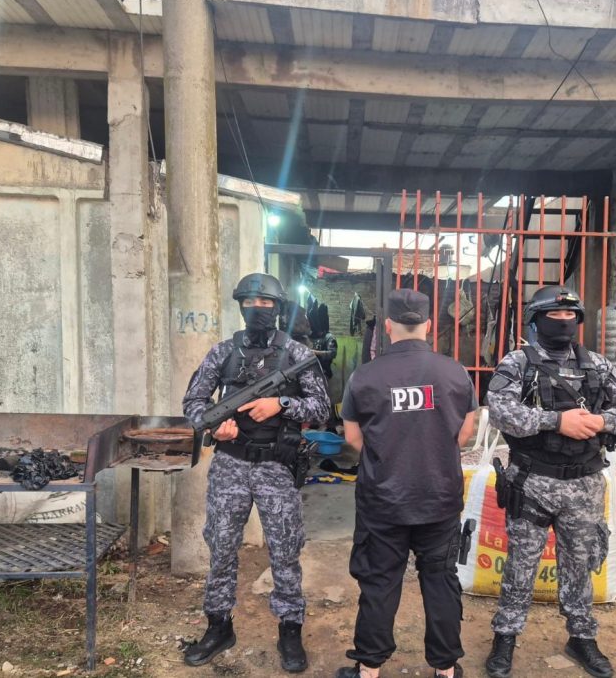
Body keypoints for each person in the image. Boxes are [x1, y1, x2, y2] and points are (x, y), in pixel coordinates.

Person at [483, 286, 616, 678]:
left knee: (579, 564)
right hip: (532, 482)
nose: (564, 322)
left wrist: (601, 421)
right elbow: (500, 411)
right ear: (536, 321)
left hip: (585, 484)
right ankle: (505, 636)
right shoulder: (518, 363)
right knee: (521, 564)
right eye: (554, 316)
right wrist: (557, 421)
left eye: (570, 316)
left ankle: (581, 637)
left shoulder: (597, 365)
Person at [181, 273, 331, 672]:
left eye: (265, 303)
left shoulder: (297, 353)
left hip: (277, 467)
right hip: (230, 465)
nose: (258, 309)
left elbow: (322, 407)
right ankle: (219, 626)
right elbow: (194, 402)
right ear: (241, 307)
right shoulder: (223, 352)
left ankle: (290, 629)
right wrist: (216, 427)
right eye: (250, 302)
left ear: (278, 308)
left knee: (285, 550)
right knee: (221, 547)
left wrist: (281, 404)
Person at [335, 288, 478, 678]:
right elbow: (465, 433)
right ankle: (446, 670)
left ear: (387, 326)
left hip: (383, 500)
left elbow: (353, 438)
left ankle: (369, 669)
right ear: (428, 325)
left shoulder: (364, 376)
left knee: (379, 581)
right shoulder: (455, 372)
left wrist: (388, 456)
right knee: (441, 580)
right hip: (440, 497)